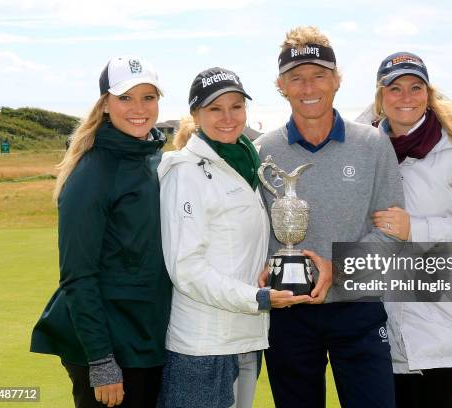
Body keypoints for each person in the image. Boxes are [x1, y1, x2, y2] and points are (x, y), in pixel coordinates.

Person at [254, 26, 404, 408]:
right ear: (281, 85)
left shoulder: (372, 144)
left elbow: (391, 233)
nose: (309, 88)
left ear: (336, 80)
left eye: (319, 76)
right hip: (288, 314)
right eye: (297, 78)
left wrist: (335, 268)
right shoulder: (261, 151)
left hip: (359, 306)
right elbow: (249, 232)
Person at [356, 51, 452, 408]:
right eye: (394, 89)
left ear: (428, 93)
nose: (406, 97)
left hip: (445, 311)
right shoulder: (365, 148)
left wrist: (416, 228)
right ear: (380, 97)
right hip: (384, 311)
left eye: (415, 87)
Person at [157, 67, 309, 408]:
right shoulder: (185, 171)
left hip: (245, 338)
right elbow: (187, 269)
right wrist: (258, 297)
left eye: (236, 106)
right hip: (202, 346)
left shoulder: (245, 164)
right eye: (214, 108)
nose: (227, 117)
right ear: (196, 115)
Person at [30, 56, 172, 408]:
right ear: (105, 104)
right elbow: (78, 276)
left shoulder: (153, 157)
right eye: (125, 98)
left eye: (148, 97)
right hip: (109, 347)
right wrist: (101, 361)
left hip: (148, 338)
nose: (138, 108)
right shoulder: (92, 173)